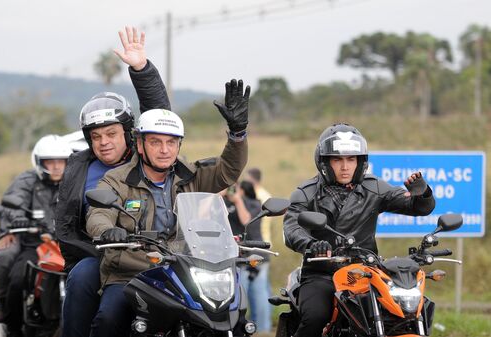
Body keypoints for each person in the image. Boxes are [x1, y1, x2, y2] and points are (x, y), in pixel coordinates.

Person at [87, 78, 250, 337]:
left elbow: (229, 171)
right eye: (156, 142)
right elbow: (98, 213)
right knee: (108, 319)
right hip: (131, 272)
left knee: (234, 320)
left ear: (179, 145)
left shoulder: (192, 175)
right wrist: (107, 230)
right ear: (140, 145)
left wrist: (238, 133)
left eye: (171, 142)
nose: (165, 150)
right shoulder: (116, 180)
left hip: (183, 272)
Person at [55, 27, 171, 337]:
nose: (104, 143)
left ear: (130, 133)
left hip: (158, 253)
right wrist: (103, 252)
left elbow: (160, 114)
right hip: (97, 256)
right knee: (80, 279)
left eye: (111, 134)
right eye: (96, 137)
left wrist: (141, 69)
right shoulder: (78, 168)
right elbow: (66, 228)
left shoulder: (146, 156)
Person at [282, 123, 436, 337]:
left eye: (351, 159)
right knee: (316, 316)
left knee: (401, 313)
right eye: (337, 159)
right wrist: (311, 245)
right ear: (325, 162)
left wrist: (423, 194)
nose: (345, 166)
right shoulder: (306, 193)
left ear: (360, 162)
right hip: (322, 274)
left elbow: (415, 207)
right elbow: (292, 227)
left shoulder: (374, 188)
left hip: (365, 273)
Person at [0, 135, 72, 333]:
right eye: (50, 162)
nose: (56, 167)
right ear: (39, 162)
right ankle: (11, 324)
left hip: (69, 244)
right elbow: (12, 203)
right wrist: (16, 221)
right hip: (35, 243)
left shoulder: (75, 181)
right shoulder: (27, 180)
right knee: (18, 278)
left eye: (61, 161)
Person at [223, 181, 272, 333]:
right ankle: (241, 328)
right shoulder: (222, 203)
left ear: (241, 189)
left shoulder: (253, 203)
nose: (231, 191)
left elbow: (247, 221)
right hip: (235, 257)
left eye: (234, 188)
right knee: (238, 295)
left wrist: (238, 200)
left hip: (255, 256)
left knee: (258, 295)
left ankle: (262, 329)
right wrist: (217, 195)